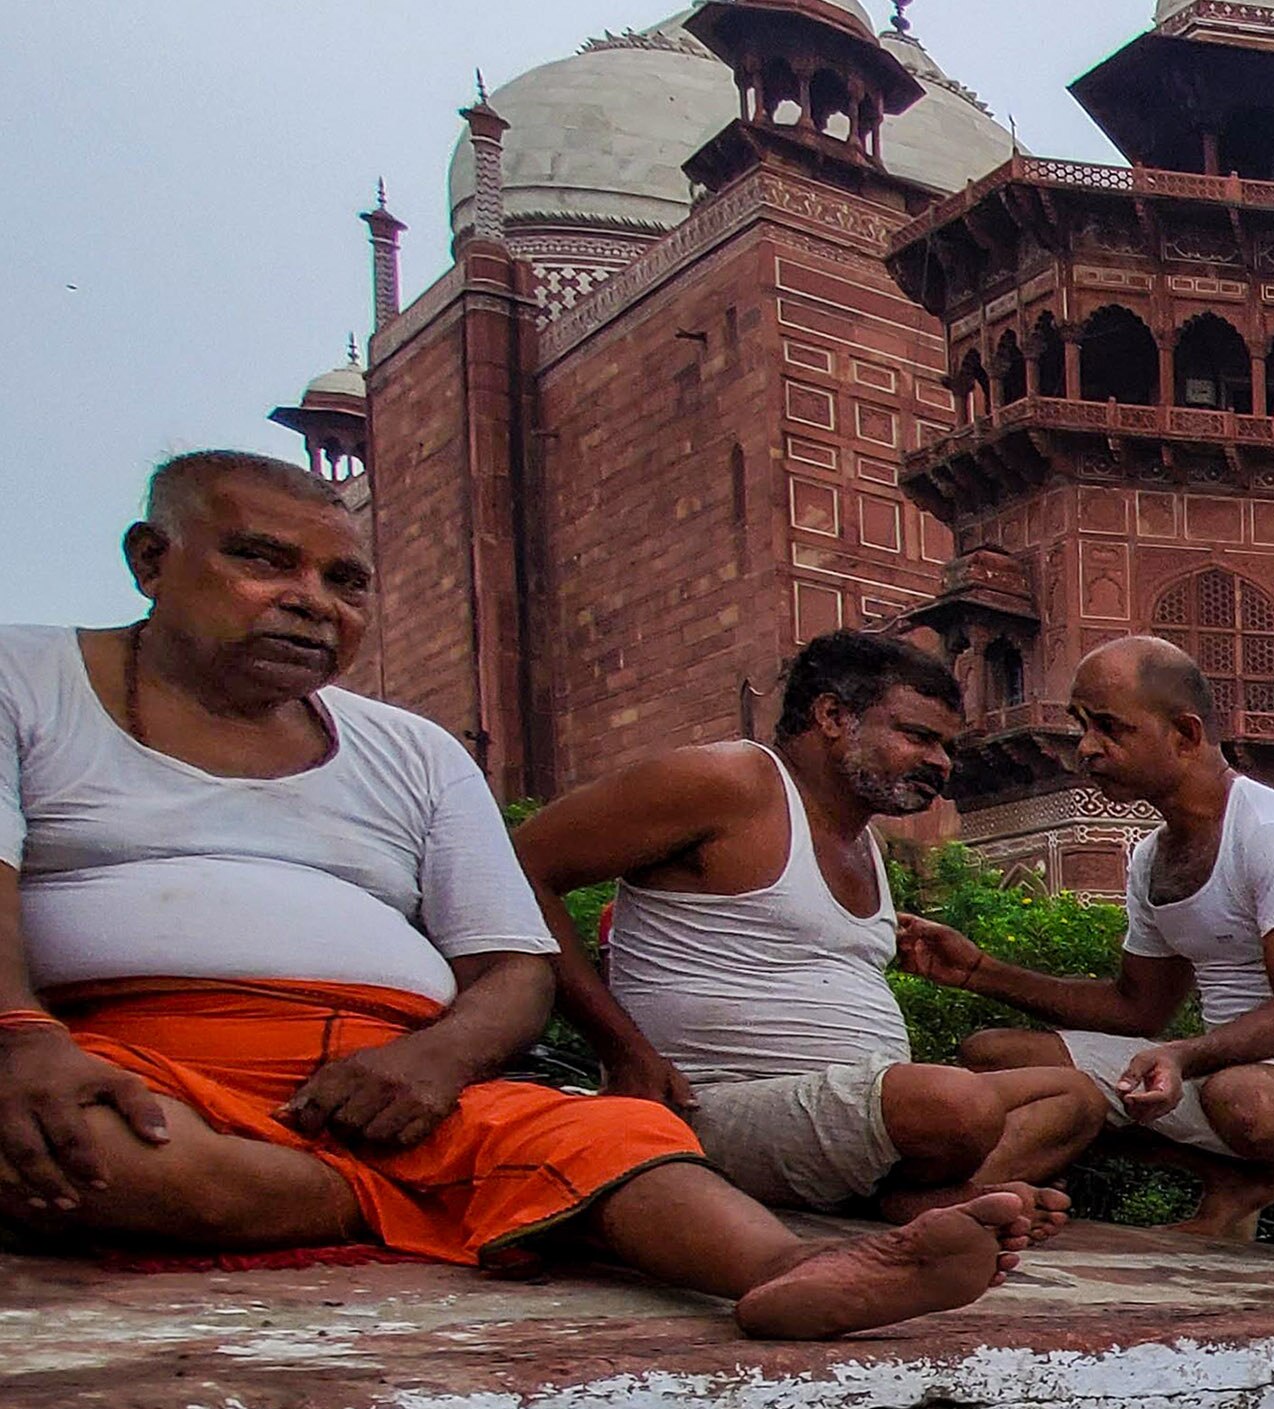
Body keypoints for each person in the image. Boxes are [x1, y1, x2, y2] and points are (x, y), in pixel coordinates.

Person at [0, 453, 1022, 1337]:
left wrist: (432, 1062)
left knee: (612, 1138)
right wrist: (22, 1038)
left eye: (347, 580)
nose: (313, 598)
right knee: (70, 1138)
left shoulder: (412, 749)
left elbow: (508, 965)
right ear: (151, 559)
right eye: (263, 559)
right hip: (138, 1059)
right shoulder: (27, 679)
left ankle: (791, 1273)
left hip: (401, 1079)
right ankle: (418, 1200)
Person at [510, 630, 1096, 1236]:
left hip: (853, 1119)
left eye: (947, 746)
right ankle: (922, 1191)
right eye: (918, 736)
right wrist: (624, 1053)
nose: (941, 764)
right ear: (833, 716)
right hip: (703, 1107)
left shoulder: (864, 841)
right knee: (955, 1105)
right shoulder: (732, 782)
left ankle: (914, 1194)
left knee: (1073, 1098)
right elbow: (517, 868)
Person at [907, 637, 1274, 1262]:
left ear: (1183, 733)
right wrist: (979, 971)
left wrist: (1181, 1056)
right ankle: (1235, 1179)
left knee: (1242, 1100)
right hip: (1228, 1077)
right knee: (995, 1058)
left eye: (1110, 728)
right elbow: (1136, 1010)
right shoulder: (1152, 855)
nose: (1088, 748)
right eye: (1082, 726)